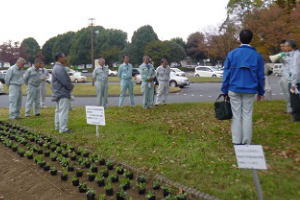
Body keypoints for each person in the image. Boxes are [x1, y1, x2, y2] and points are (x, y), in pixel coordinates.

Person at [221, 29, 265, 145]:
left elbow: (226, 74)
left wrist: (224, 90)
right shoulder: (257, 56)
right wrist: (261, 92)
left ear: (239, 39)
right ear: (251, 39)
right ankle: (246, 142)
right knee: (247, 115)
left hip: (234, 88)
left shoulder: (232, 54)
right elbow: (261, 76)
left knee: (236, 115)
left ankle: (236, 141)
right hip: (250, 90)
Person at [52, 53, 74, 133]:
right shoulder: (59, 68)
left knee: (58, 110)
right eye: (64, 57)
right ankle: (63, 129)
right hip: (62, 92)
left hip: (58, 92)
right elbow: (65, 81)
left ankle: (57, 126)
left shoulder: (56, 67)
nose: (65, 58)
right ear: (59, 58)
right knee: (63, 111)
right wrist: (70, 87)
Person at [279, 40, 294, 114]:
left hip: (290, 77)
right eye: (281, 46)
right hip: (283, 76)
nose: (282, 48)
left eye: (283, 46)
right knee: (286, 93)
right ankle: (289, 108)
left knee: (290, 93)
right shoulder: (282, 55)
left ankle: (291, 109)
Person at [288, 40, 300, 121]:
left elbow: (295, 70)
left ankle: (296, 117)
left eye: (286, 46)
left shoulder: (296, 55)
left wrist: (293, 83)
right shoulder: (293, 55)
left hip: (295, 81)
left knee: (295, 100)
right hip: (294, 80)